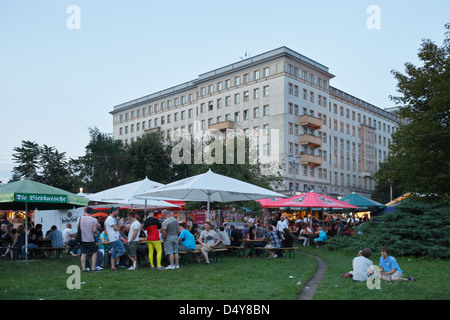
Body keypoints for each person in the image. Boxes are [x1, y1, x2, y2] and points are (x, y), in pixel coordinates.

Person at [79, 207, 101, 272]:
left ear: (85, 211)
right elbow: (94, 230)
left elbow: (78, 228)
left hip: (82, 239)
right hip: (90, 239)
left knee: (83, 253)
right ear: (91, 212)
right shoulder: (94, 220)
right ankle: (93, 268)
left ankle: (83, 268)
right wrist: (97, 233)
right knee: (94, 252)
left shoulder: (79, 219)